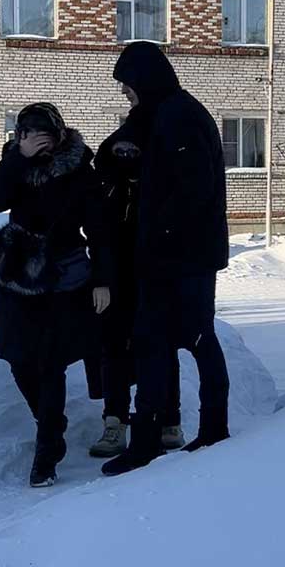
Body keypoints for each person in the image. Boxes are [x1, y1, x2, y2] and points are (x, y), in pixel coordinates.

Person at [101, 42, 231, 477]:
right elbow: (109, 155)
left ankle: (214, 429)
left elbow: (194, 190)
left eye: (128, 86)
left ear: (146, 80)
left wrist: (162, 238)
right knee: (153, 343)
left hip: (186, 257)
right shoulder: (156, 113)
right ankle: (146, 441)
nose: (125, 94)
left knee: (197, 339)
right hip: (161, 257)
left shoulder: (181, 116)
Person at [0, 103, 112, 488]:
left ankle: (47, 450)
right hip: (19, 277)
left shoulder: (78, 169)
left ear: (58, 135)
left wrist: (103, 279)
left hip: (64, 276)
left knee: (49, 363)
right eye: (27, 134)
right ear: (19, 137)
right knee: (18, 359)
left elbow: (100, 229)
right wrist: (19, 160)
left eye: (43, 134)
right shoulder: (15, 165)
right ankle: (50, 421)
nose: (37, 141)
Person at [87, 111, 185, 459]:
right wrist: (100, 280)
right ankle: (115, 423)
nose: (127, 156)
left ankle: (168, 420)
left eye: (135, 150)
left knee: (160, 348)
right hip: (115, 281)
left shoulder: (164, 179)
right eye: (122, 149)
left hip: (156, 278)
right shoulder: (105, 182)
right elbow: (97, 235)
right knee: (113, 351)